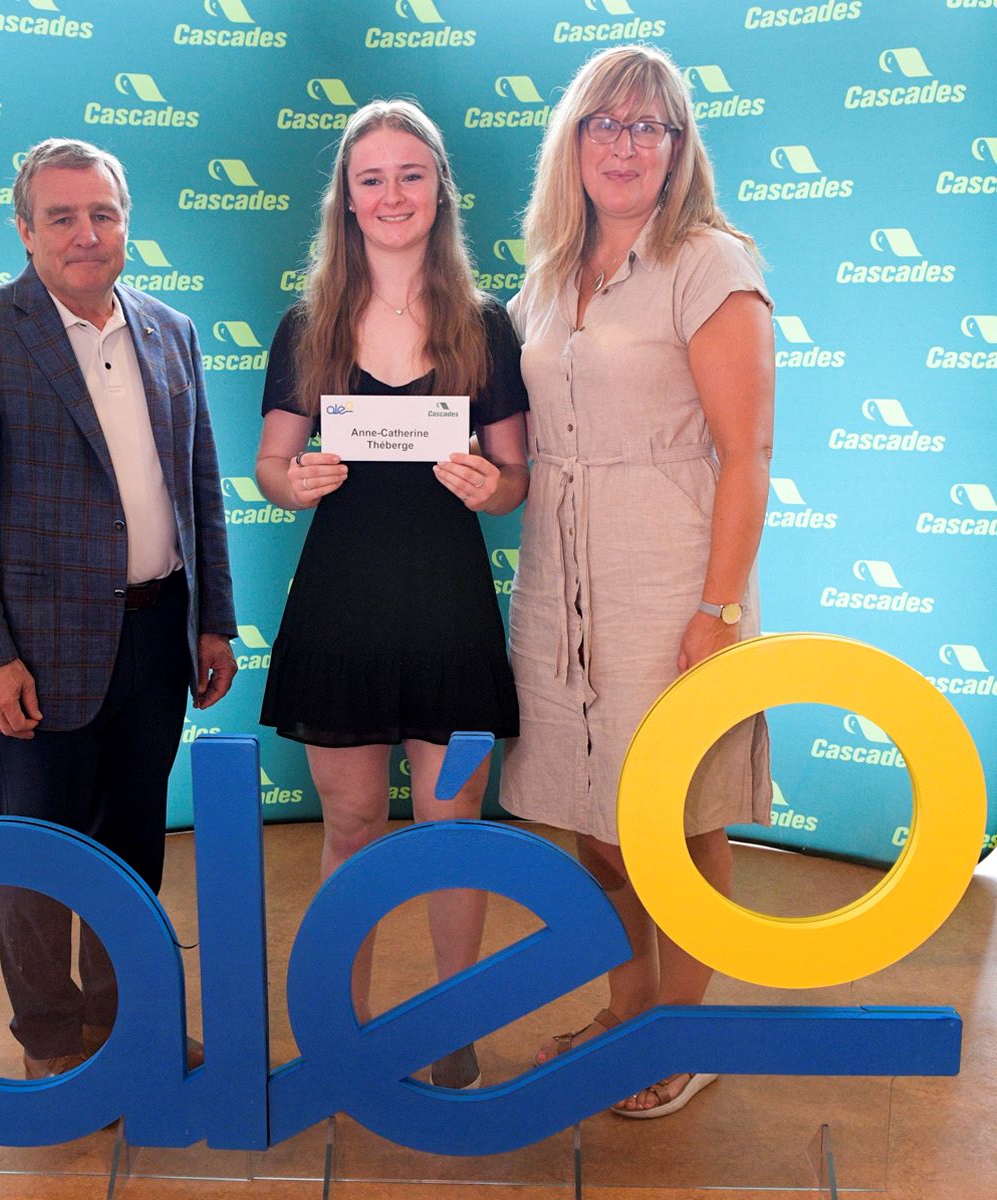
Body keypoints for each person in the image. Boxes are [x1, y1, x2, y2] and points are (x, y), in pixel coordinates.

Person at [0, 138, 237, 1080]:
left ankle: (126, 1028)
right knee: (41, 856)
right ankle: (52, 1048)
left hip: (157, 631)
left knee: (135, 843)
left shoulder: (170, 330)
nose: (85, 233)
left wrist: (211, 617)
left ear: (125, 221)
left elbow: (197, 488)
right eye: (61, 217)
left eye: (101, 213)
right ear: (25, 229)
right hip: (35, 656)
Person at [500, 44, 775, 1117]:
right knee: (593, 816)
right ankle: (625, 1011)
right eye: (604, 124)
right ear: (571, 143)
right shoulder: (544, 275)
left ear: (677, 149)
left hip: (672, 578)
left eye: (648, 127)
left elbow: (746, 453)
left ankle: (684, 1031)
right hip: (559, 580)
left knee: (682, 816)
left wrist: (719, 607)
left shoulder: (710, 262)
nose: (625, 145)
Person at [254, 100, 529, 1090]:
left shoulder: (487, 326)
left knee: (453, 827)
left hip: (452, 624)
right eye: (370, 178)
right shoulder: (308, 326)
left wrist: (487, 486)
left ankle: (454, 1032)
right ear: (346, 199)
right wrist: (299, 480)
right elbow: (271, 465)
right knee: (353, 825)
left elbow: (515, 479)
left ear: (440, 190)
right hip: (342, 622)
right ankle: (344, 1031)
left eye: (410, 174)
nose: (391, 195)